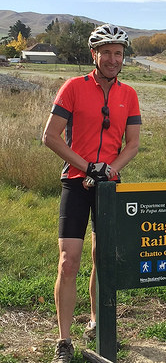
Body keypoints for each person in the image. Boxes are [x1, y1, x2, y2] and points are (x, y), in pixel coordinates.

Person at [42, 24, 142, 363]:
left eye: (119, 53)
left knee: (103, 259)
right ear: (93, 54)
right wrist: (87, 168)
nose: (113, 59)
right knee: (69, 262)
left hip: (109, 185)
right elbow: (51, 136)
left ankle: (98, 323)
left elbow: (133, 144)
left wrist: (107, 171)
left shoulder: (128, 94)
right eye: (107, 52)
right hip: (75, 181)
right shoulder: (73, 87)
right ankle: (64, 341)